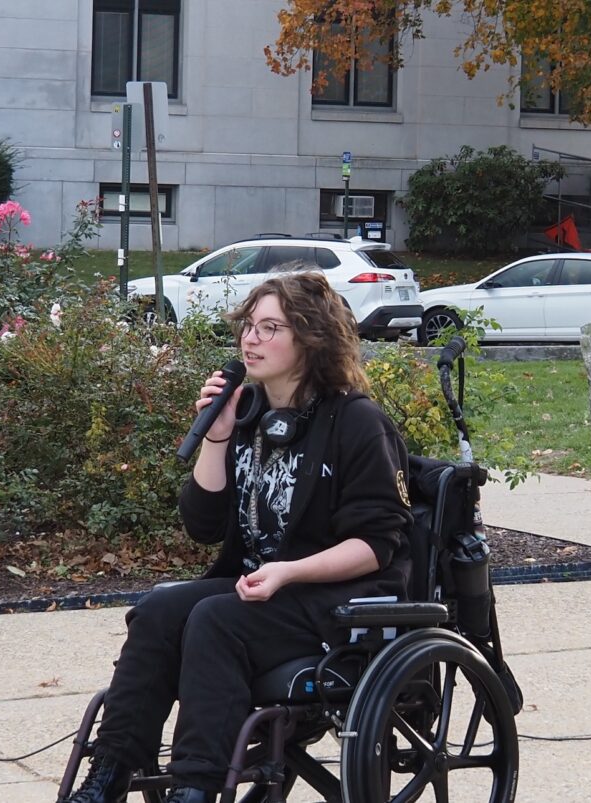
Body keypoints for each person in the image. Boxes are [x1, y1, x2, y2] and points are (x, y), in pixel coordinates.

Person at [66, 272, 413, 803]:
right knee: (158, 610)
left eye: (270, 328)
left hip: (334, 600)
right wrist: (218, 434)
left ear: (312, 338)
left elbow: (376, 545)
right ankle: (110, 774)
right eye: (248, 326)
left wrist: (288, 572)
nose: (251, 338)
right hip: (260, 589)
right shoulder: (249, 412)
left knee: (215, 618)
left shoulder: (357, 422)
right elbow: (203, 526)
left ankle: (195, 788)